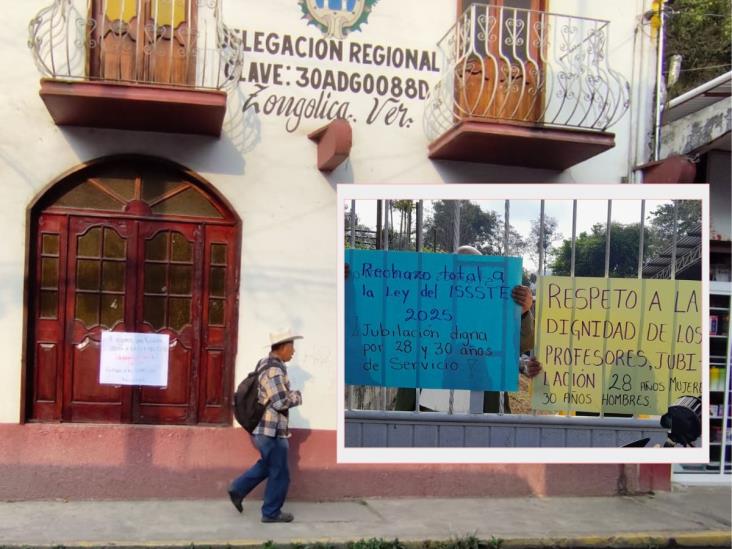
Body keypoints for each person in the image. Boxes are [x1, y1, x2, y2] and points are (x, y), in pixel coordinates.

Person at [394, 244, 542, 413]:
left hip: (481, 409)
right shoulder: (426, 306)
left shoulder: (494, 311)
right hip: (427, 410)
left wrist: (523, 312)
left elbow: (520, 344)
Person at [228, 330, 303, 523]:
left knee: (269, 465)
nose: (293, 352)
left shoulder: (265, 364)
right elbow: (280, 402)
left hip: (270, 429)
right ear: (284, 347)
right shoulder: (274, 370)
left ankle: (238, 488)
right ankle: (270, 513)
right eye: (292, 347)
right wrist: (297, 395)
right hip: (270, 430)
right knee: (280, 472)